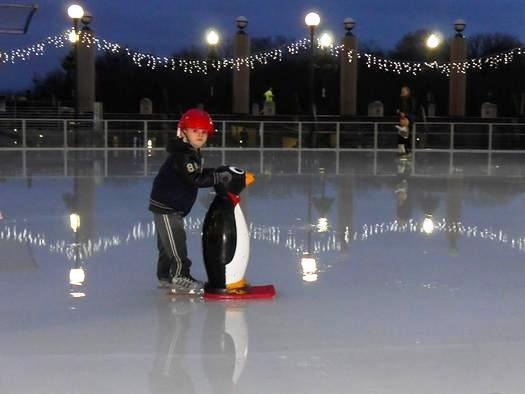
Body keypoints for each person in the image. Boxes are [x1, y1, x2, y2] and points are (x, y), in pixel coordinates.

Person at [149, 108, 231, 294]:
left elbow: (197, 172)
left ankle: (165, 276)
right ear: (184, 131)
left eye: (203, 132)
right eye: (195, 131)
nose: (200, 135)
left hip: (171, 205)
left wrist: (215, 172)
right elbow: (195, 178)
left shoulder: (190, 152)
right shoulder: (183, 155)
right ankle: (180, 276)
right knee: (176, 242)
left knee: (166, 244)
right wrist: (218, 178)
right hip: (167, 207)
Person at [397, 86, 415, 157]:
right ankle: (401, 151)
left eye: (404, 91)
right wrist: (400, 113)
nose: (402, 92)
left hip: (408, 120)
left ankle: (408, 150)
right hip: (401, 120)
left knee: (407, 136)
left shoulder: (411, 99)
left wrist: (406, 114)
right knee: (401, 136)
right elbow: (398, 109)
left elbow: (413, 110)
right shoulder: (400, 100)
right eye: (402, 91)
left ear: (408, 92)